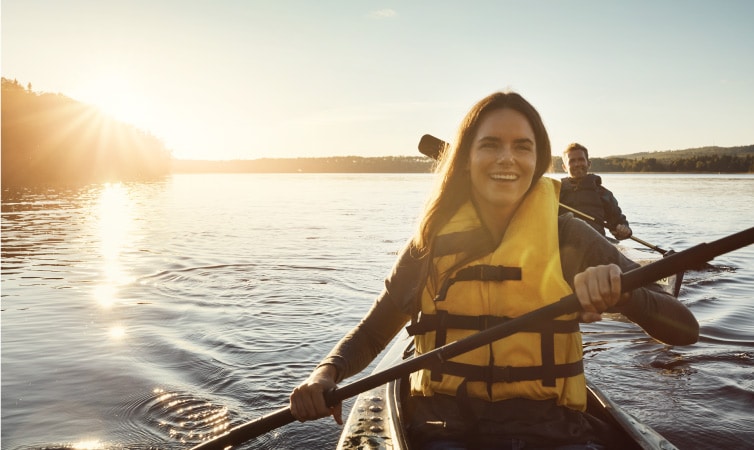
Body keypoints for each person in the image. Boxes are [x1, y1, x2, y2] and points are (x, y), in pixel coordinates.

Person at [289, 92, 699, 449]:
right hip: (443, 431)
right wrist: (326, 373)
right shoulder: (430, 240)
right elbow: (375, 331)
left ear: (537, 160)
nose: (507, 158)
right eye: (490, 145)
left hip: (555, 434)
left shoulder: (570, 237)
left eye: (523, 146)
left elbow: (685, 330)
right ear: (466, 158)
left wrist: (625, 294)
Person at [559, 143, 632, 241]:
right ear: (564, 167)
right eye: (572, 161)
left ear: (588, 164)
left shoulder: (603, 194)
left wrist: (624, 230)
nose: (577, 164)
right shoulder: (555, 192)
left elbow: (619, 223)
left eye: (581, 160)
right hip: (564, 247)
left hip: (596, 246)